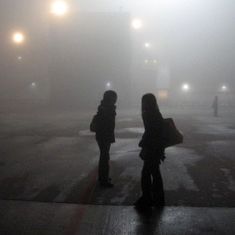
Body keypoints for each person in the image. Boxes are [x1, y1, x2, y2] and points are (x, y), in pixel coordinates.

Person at [134, 93, 165, 208]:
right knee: (155, 173)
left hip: (152, 148)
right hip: (156, 147)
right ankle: (158, 198)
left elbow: (150, 132)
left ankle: (147, 198)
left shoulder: (149, 114)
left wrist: (143, 145)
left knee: (146, 174)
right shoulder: (156, 113)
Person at [95, 90, 117, 187]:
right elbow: (107, 123)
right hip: (104, 135)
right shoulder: (107, 108)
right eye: (114, 97)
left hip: (102, 135)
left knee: (104, 156)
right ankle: (104, 180)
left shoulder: (104, 107)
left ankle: (103, 177)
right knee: (104, 157)